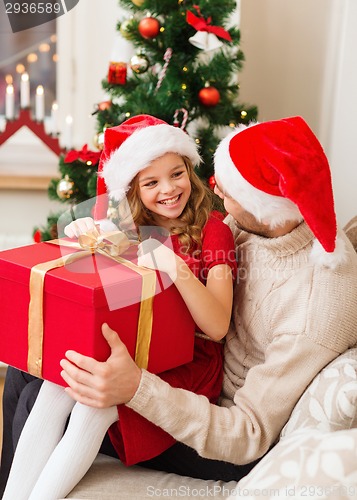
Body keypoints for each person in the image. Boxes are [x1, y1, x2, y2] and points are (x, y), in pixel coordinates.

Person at [1, 115, 357, 495]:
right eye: (151, 182)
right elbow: (130, 293)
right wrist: (95, 241)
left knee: (72, 394)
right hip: (165, 358)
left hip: (216, 418)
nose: (216, 190)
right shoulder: (248, 226)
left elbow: (246, 431)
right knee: (41, 374)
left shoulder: (310, 305)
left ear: (264, 204)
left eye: (230, 189)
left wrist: (134, 386)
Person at [1, 115, 237, 500]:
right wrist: (83, 247)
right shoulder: (127, 231)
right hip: (135, 353)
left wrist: (175, 267)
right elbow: (104, 301)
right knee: (60, 388)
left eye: (176, 173)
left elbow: (218, 327)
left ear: (190, 171)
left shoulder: (214, 230)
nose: (169, 189)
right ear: (133, 190)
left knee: (94, 409)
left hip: (187, 366)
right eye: (151, 182)